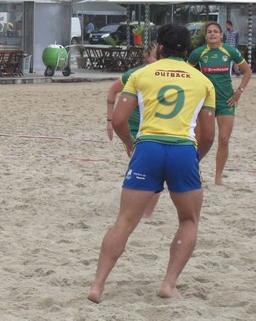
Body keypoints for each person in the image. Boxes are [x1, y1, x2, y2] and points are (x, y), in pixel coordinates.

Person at [88, 24, 216, 303]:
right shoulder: (203, 81)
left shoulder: (141, 74)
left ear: (159, 47)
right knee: (189, 219)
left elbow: (120, 120)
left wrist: (129, 144)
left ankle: (97, 285)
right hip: (183, 150)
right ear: (188, 50)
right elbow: (208, 135)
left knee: (124, 220)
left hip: (148, 148)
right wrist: (196, 159)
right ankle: (168, 284)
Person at [188, 22, 252, 186]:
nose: (212, 34)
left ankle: (218, 177)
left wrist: (239, 91)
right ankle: (192, 168)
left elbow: (247, 71)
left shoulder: (229, 51)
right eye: (209, 32)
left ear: (221, 35)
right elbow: (187, 74)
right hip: (205, 102)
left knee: (224, 140)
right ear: (205, 35)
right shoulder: (198, 53)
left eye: (216, 31)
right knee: (200, 139)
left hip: (226, 101)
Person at [105, 42, 160, 219]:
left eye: (160, 56)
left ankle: (146, 213)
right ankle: (139, 210)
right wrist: (109, 120)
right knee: (144, 167)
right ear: (146, 57)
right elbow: (112, 91)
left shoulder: (167, 74)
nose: (157, 59)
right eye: (154, 56)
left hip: (155, 126)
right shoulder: (135, 74)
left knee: (151, 168)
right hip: (134, 127)